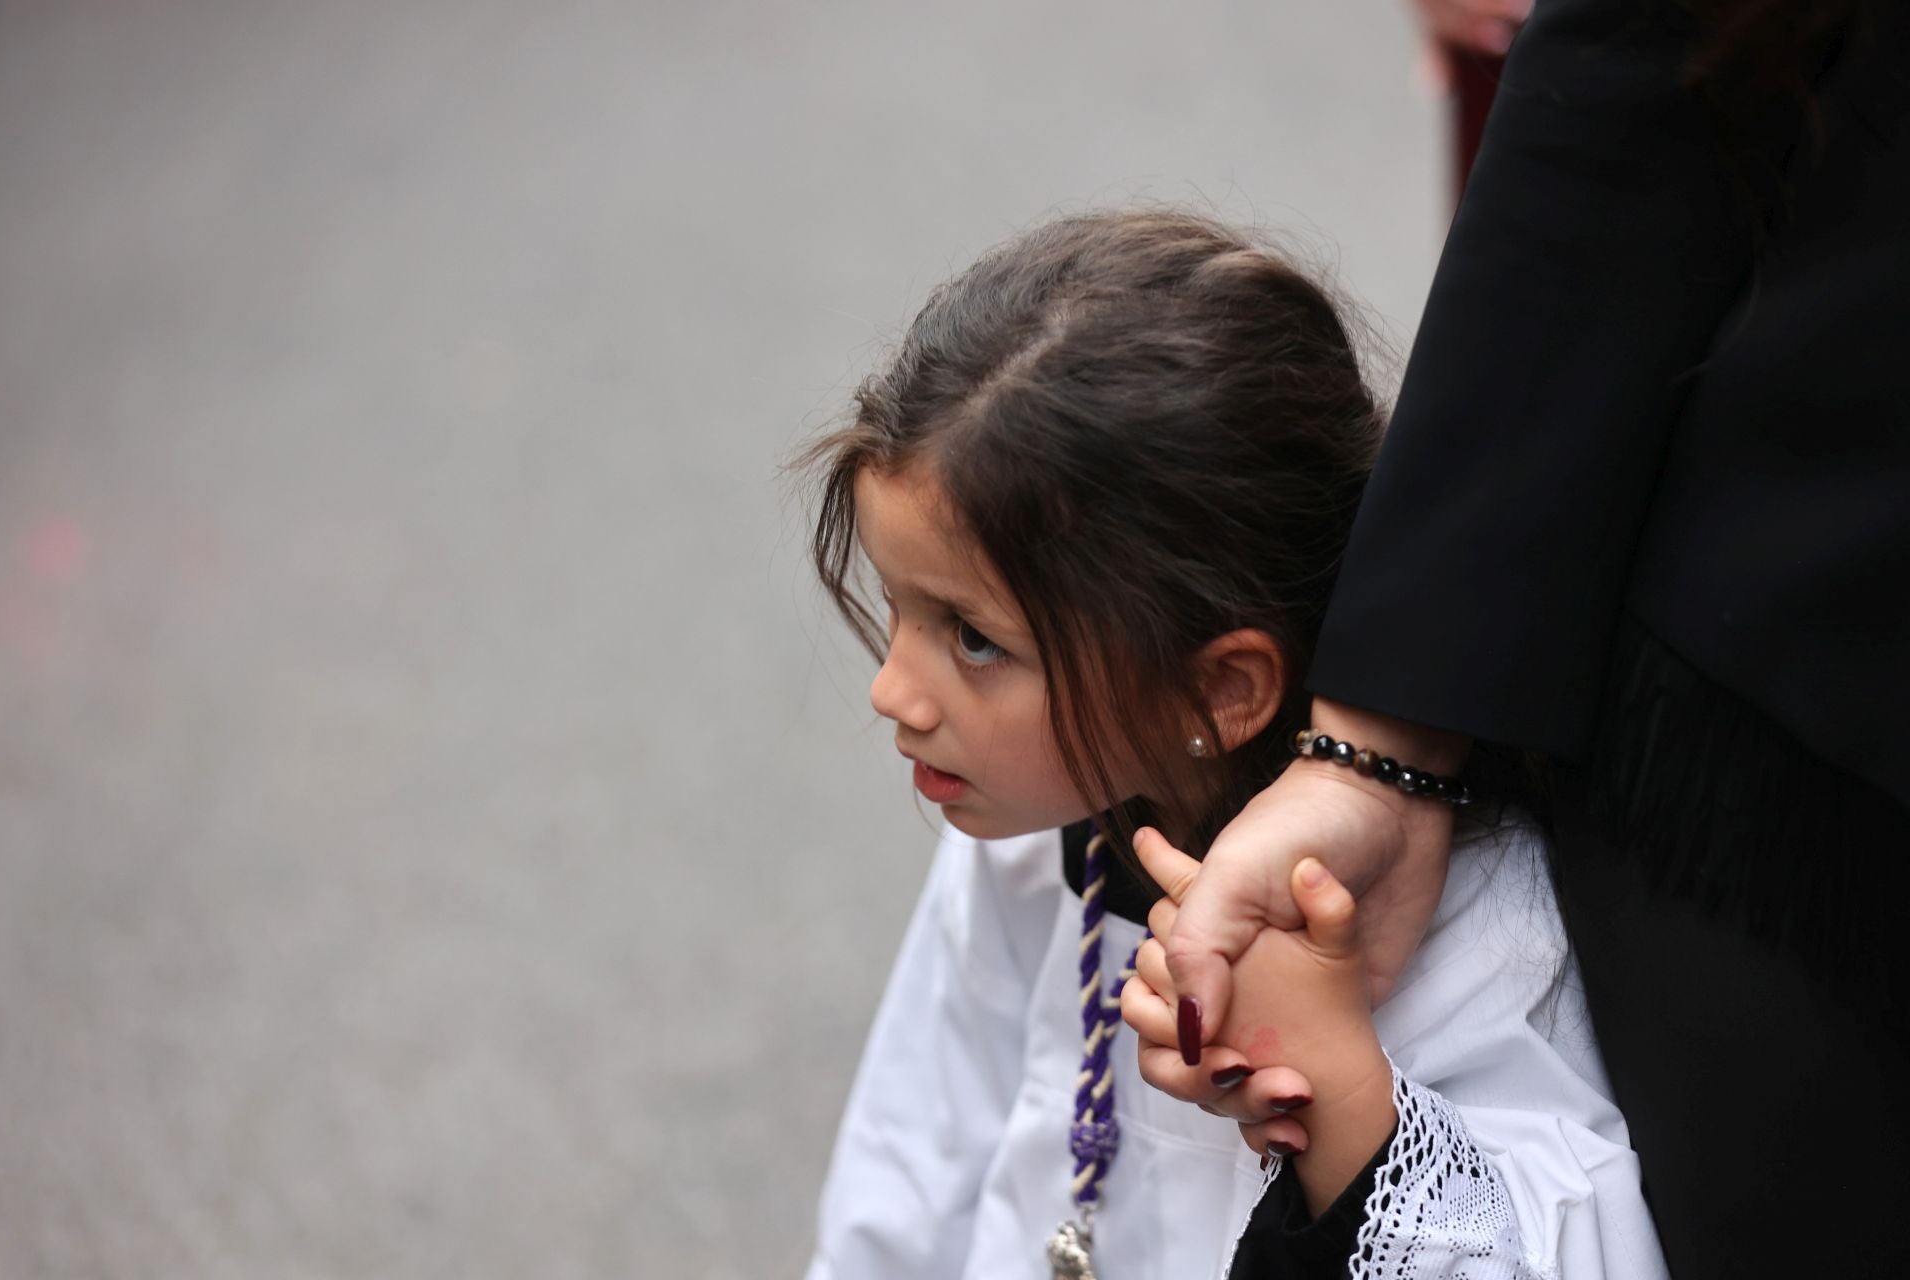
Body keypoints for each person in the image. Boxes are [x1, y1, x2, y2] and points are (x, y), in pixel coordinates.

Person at [1145, 2, 1910, 1275]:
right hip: (1804, 740)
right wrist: (1377, 753)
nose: (894, 691)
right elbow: (1644, 65)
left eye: (971, 638)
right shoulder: (1175, 877)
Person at [798, 211, 1664, 1279]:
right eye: (899, 608)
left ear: (1222, 687)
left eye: (973, 637)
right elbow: (914, 1162)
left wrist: (1345, 1094)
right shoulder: (1037, 835)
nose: (894, 689)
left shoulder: (1474, 931)